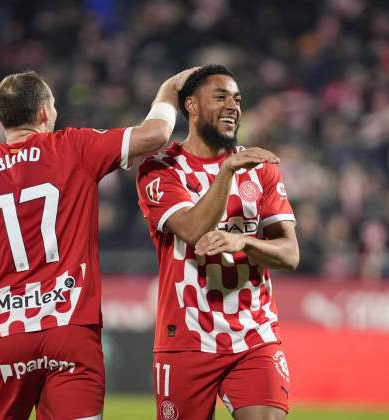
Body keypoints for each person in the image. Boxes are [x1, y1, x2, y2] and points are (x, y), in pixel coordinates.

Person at [0, 67, 197, 419]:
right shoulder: (74, 146)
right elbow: (156, 134)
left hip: (7, 337)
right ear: (45, 112)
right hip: (71, 332)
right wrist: (169, 90)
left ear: (3, 118)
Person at [136, 65, 299, 420]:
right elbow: (193, 229)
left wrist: (244, 242)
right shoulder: (160, 169)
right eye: (221, 96)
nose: (233, 106)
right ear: (190, 105)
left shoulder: (260, 168)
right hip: (185, 341)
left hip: (253, 337)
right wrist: (226, 172)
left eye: (237, 99)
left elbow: (290, 255)